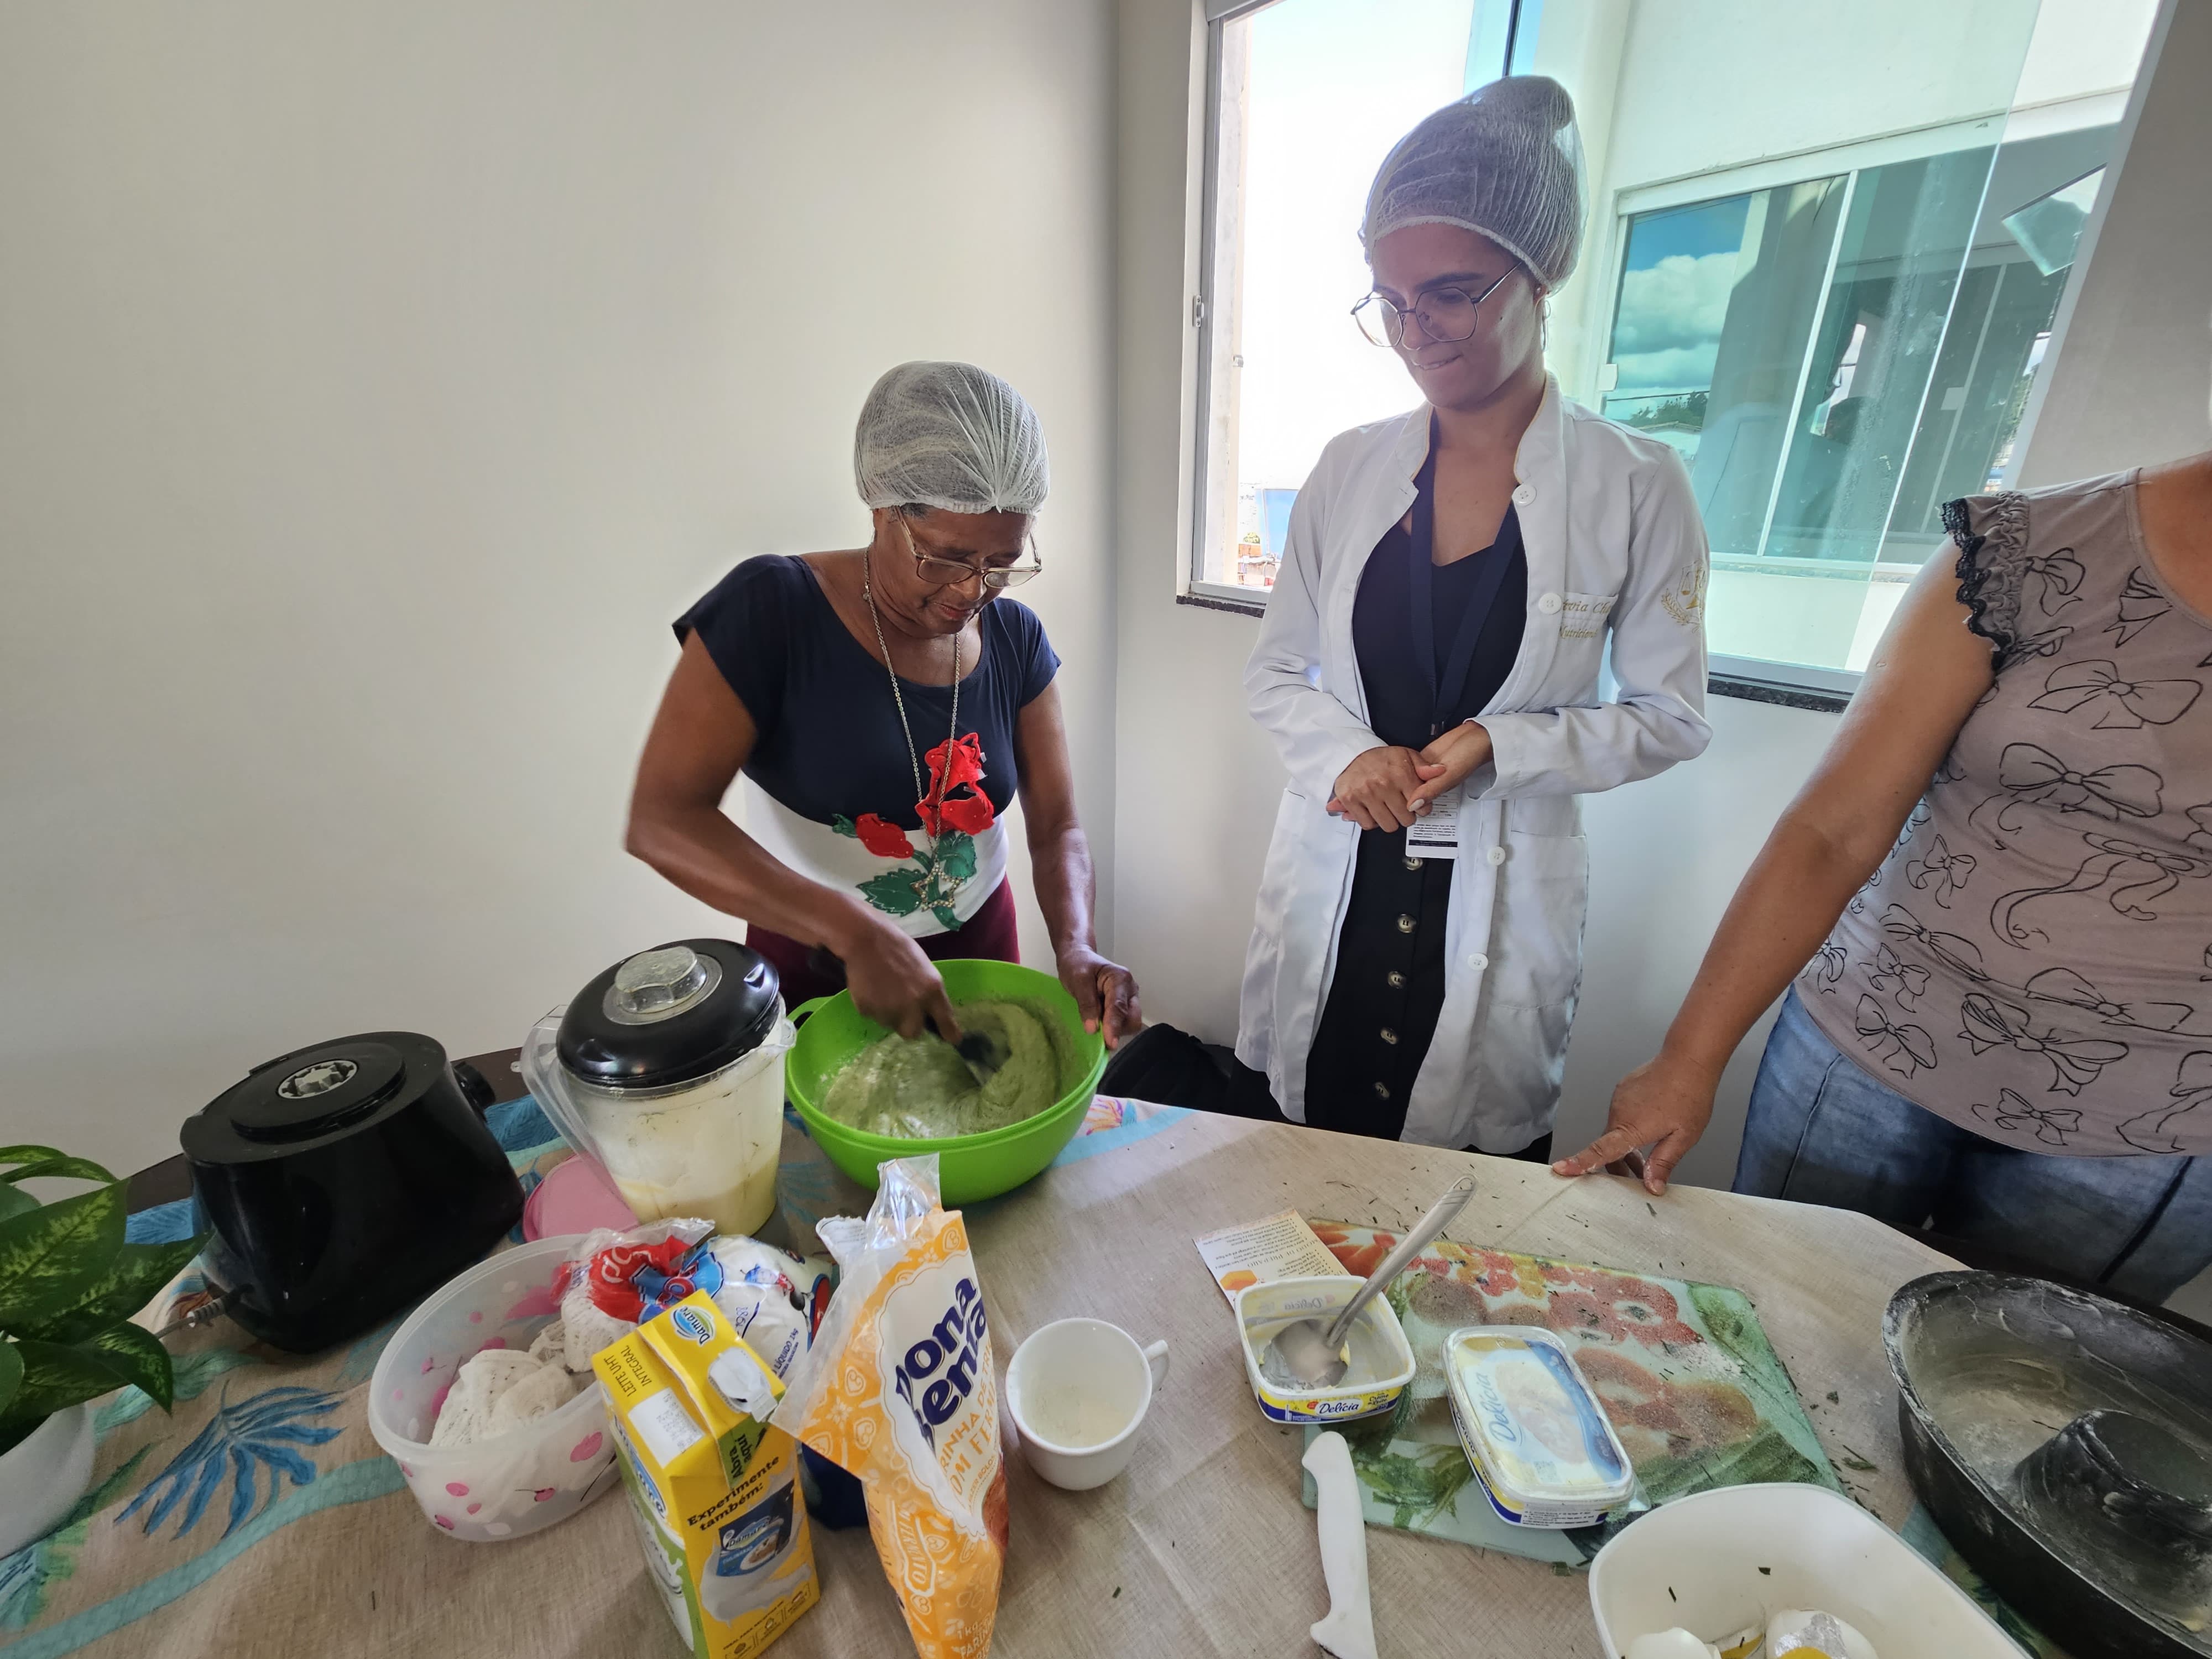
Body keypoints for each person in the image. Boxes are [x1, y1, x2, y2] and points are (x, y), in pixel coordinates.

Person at [1553, 436, 2212, 1303]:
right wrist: (1686, 1059)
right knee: (1777, 1308)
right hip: (1873, 1046)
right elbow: (1834, 829)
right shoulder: (2028, 547)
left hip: (2154, 1126)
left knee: (2025, 1374)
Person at [1232, 77, 1711, 1158]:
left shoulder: (1638, 486)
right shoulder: (1348, 469)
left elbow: (1670, 717)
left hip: (1496, 905)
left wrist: (1509, 743)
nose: (1417, 332)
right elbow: (1274, 673)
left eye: (1450, 294)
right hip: (1339, 886)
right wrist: (1344, 755)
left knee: (1462, 1202)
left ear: (1541, 276)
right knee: (1294, 1166)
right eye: (1390, 302)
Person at [626, 361, 1140, 1048]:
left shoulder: (1015, 638)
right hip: (818, 961)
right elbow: (661, 821)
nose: (973, 590)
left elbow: (1057, 829)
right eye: (945, 558)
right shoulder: (772, 611)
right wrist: (849, 929)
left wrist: (1075, 944)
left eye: (1001, 563)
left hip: (981, 947)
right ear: (881, 508)